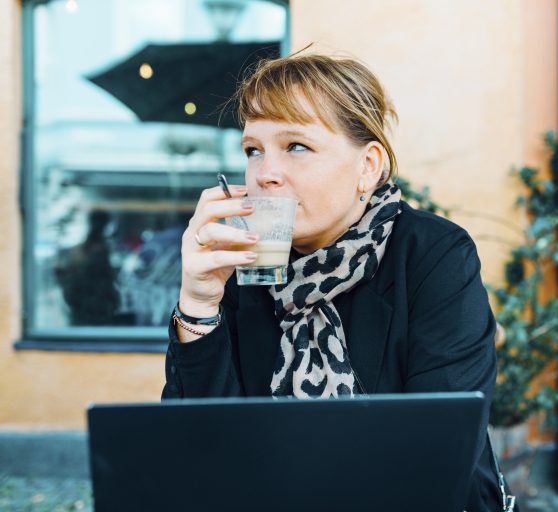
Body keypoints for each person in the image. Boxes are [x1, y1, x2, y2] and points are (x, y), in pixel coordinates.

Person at [162, 51, 510, 511]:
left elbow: (439, 442)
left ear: (368, 166)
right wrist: (199, 304)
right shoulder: (238, 265)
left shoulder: (431, 253)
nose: (266, 173)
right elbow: (193, 452)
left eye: (296, 147)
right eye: (253, 150)